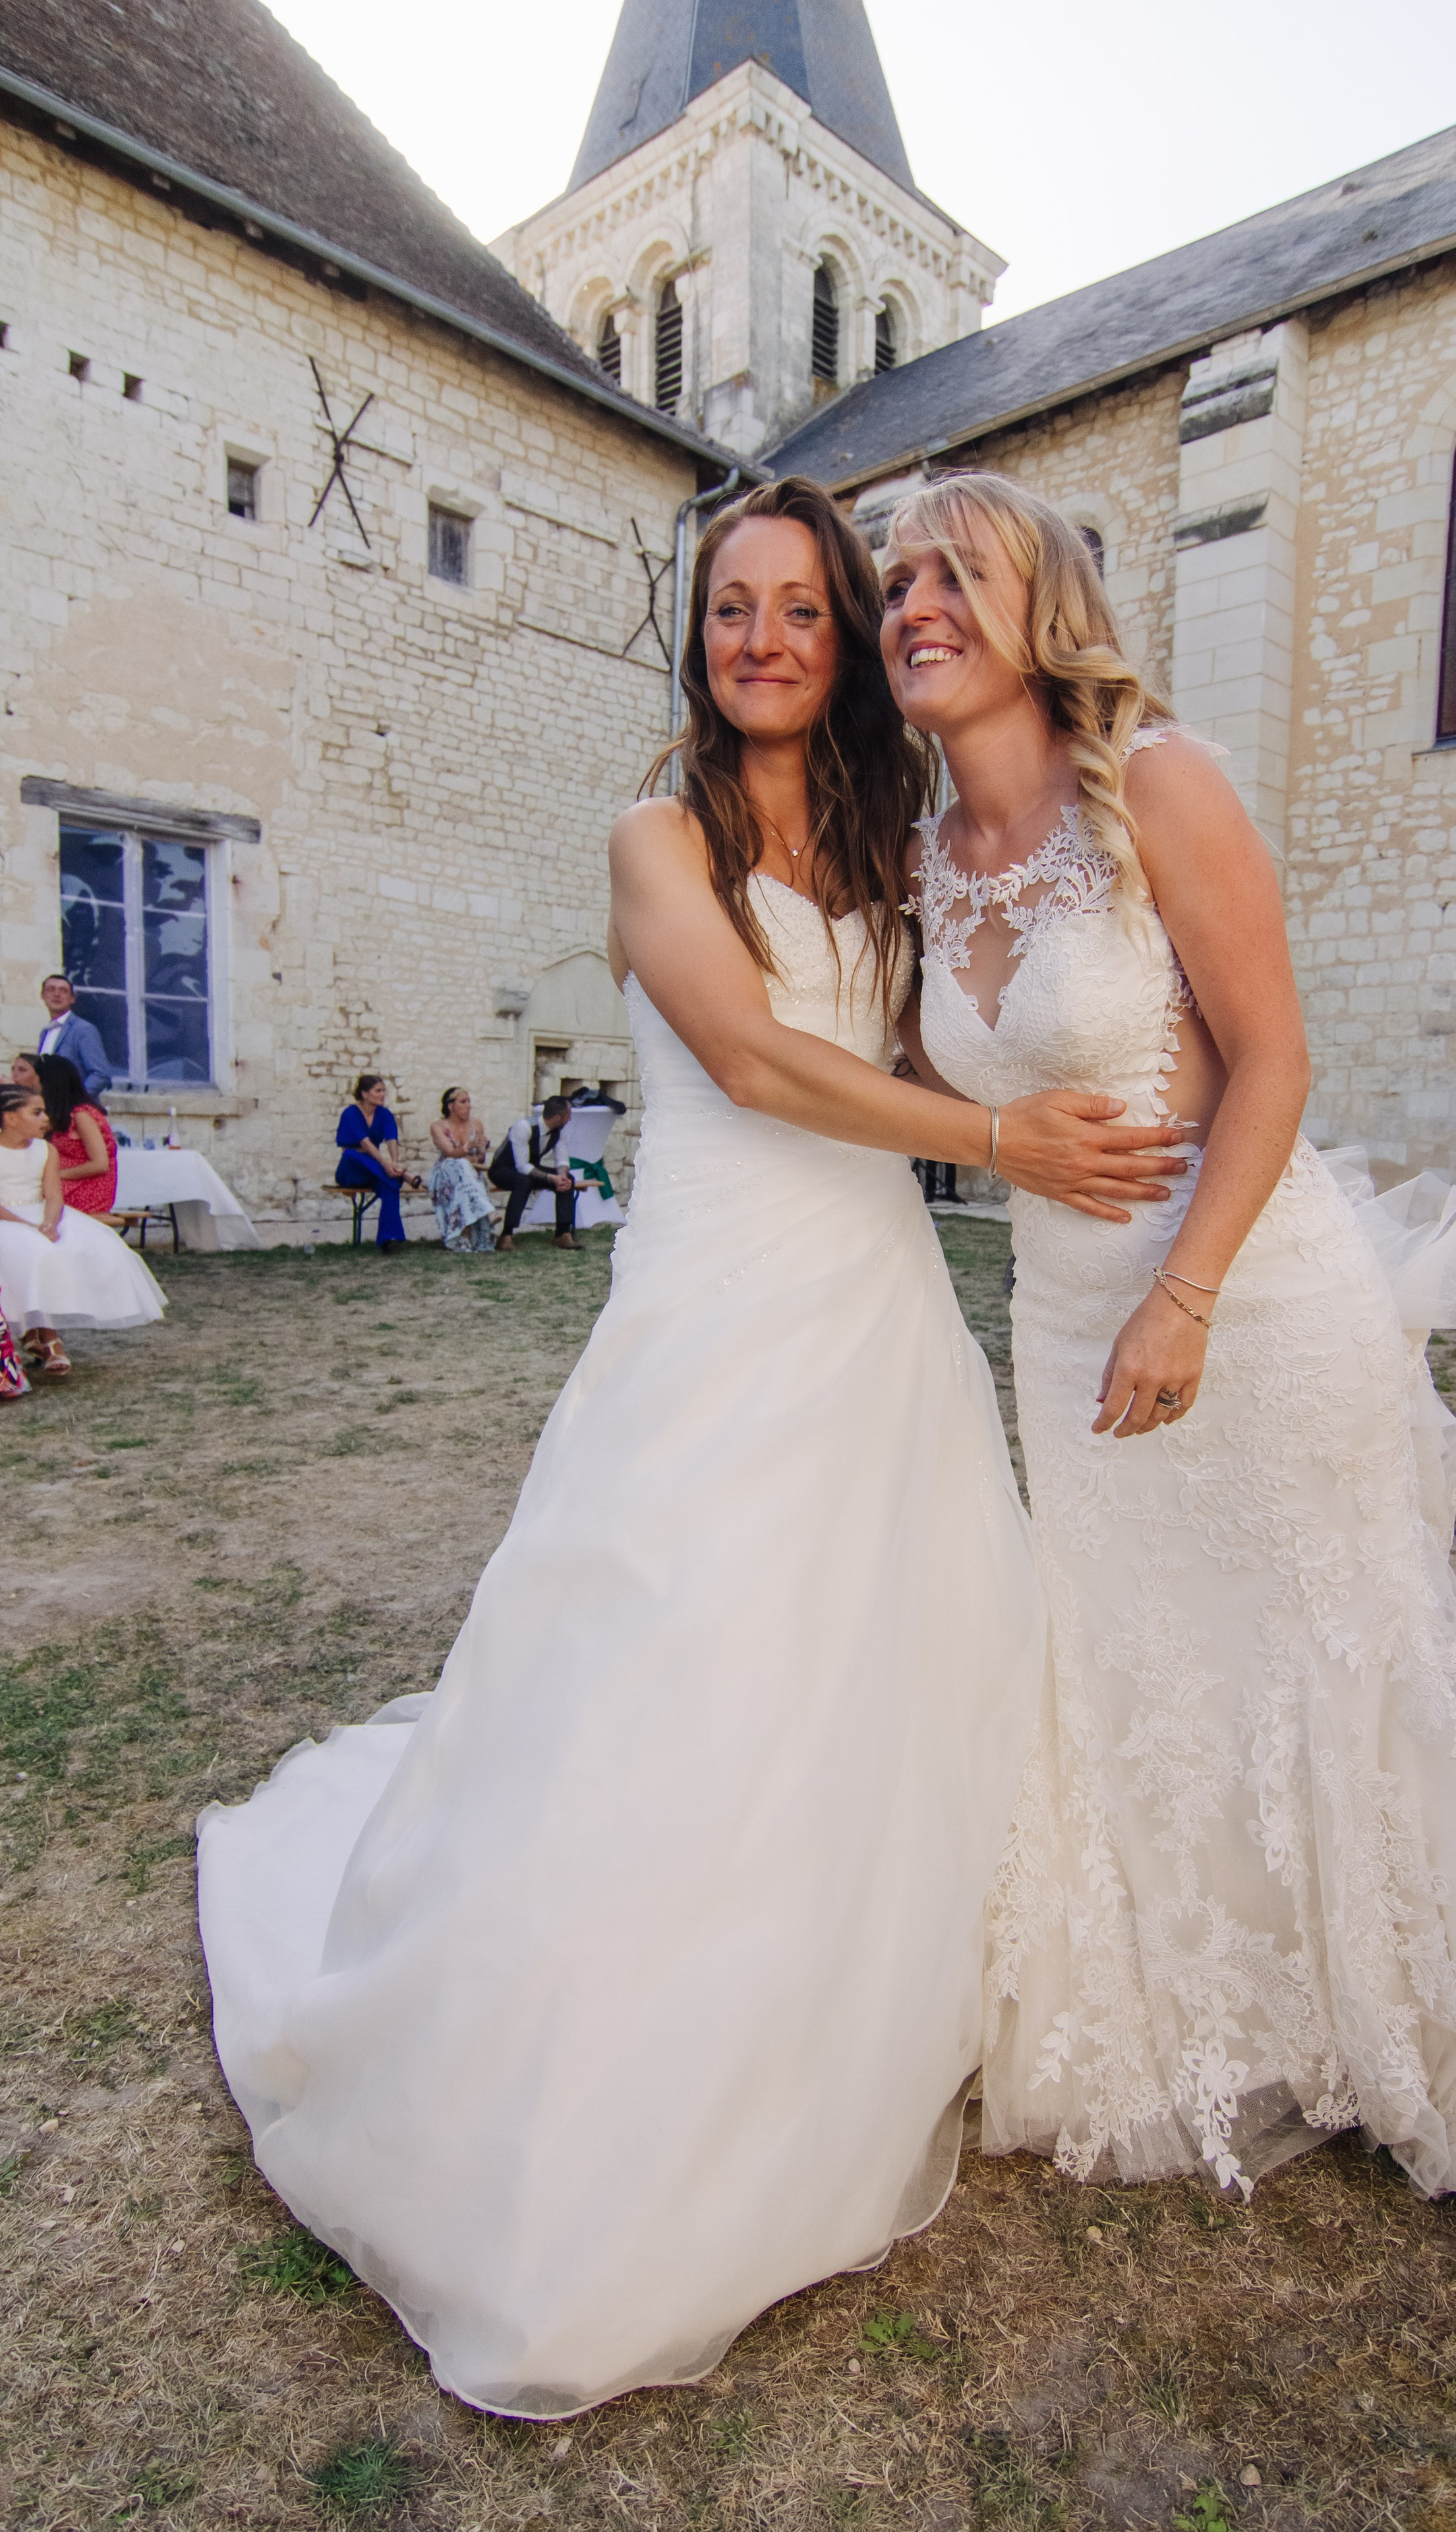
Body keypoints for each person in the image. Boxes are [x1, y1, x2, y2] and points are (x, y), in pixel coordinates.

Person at [197, 475, 1186, 2420]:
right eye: (731, 605)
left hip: (877, 1310)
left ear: (842, 638)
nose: (763, 638)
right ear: (697, 634)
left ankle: (839, 2003)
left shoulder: (892, 842)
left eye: (800, 607)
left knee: (878, 1661)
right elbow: (748, 1056)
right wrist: (1000, 1144)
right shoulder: (654, 837)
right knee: (679, 1659)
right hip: (717, 1305)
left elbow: (945, 1033)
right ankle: (604, 2065)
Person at [883, 469, 1456, 2318]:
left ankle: (1391, 2018)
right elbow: (927, 1086)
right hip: (1058, 1317)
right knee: (1136, 1669)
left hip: (1241, 1289)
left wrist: (1184, 1296)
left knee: (1319, 1659)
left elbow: (1273, 1058)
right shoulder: (923, 859)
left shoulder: (1152, 780)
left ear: (1041, 603)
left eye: (952, 573)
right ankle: (1211, 2004)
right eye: (897, 579)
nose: (913, 601)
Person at [0, 1083, 165, 1376]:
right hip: (7, 1218)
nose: (46, 1119)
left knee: (68, 1248)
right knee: (32, 1251)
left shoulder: (46, 1150)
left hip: (40, 1212)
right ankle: (41, 1336)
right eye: (37, 1112)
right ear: (11, 1118)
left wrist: (50, 1222)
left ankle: (45, 1334)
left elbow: (54, 1195)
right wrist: (28, 1226)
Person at [13, 1052, 119, 1218]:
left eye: (38, 1082)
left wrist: (56, 1175)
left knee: (26, 1195)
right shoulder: (62, 1115)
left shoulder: (82, 1115)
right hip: (65, 1181)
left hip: (87, 1187)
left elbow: (100, 1164)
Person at [334, 1075, 421, 1250]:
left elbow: (392, 1139)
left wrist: (394, 1163)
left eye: (383, 1091)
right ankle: (404, 1176)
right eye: (378, 1091)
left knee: (390, 1185)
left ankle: (389, 1239)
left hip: (375, 1170)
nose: (383, 1095)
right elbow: (365, 1142)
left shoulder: (384, 1114)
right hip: (352, 1170)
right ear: (365, 1094)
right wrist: (386, 1165)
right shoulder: (351, 1113)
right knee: (352, 1155)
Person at [489, 1095, 582, 1251]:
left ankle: (563, 1233)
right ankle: (506, 1235)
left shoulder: (559, 1131)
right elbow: (522, 1166)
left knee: (569, 1180)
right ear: (559, 1118)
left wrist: (562, 1176)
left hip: (529, 1169)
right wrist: (551, 1177)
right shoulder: (524, 1127)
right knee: (523, 1181)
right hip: (503, 1169)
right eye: (569, 1115)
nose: (570, 1119)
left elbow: (562, 1159)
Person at [427, 1087, 496, 1253]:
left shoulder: (476, 1125)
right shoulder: (438, 1126)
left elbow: (480, 1160)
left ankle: (464, 1236)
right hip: (445, 1174)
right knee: (460, 1165)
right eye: (463, 1102)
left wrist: (481, 1149)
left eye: (469, 1101)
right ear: (451, 1106)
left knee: (464, 1173)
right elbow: (450, 1153)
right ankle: (487, 1211)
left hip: (470, 1175)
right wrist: (469, 1146)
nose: (468, 1105)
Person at [36, 974, 112, 1100]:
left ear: (72, 999)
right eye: (51, 990)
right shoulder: (45, 1032)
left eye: (63, 991)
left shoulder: (83, 1029)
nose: (57, 995)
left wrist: (75, 1101)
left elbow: (100, 1074)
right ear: (42, 996)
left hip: (74, 1107)